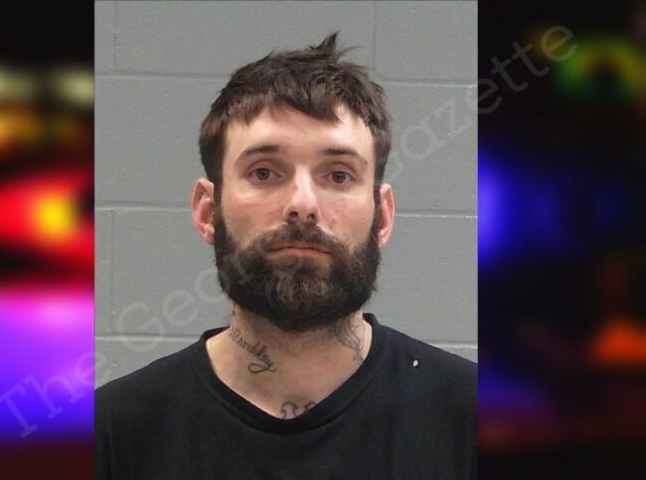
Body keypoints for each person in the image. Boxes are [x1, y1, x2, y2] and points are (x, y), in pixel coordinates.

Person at [96, 33, 476, 480]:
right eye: (264, 172)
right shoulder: (113, 432)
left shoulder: (474, 420)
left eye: (339, 175)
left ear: (382, 216)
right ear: (207, 211)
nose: (303, 204)